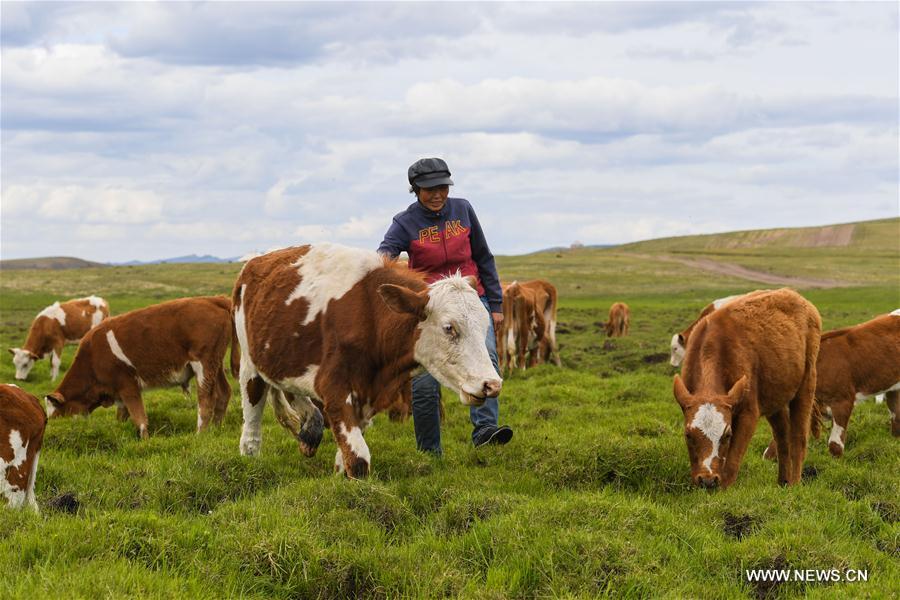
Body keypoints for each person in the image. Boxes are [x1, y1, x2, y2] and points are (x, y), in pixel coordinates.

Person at [378, 157, 513, 454]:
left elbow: (483, 256)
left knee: (486, 354)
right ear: (415, 189)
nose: (438, 194)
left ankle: (485, 430)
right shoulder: (405, 222)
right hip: (433, 307)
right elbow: (384, 257)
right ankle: (429, 450)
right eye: (429, 189)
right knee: (425, 381)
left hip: (469, 300)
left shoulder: (463, 210)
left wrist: (495, 302)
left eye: (442, 187)